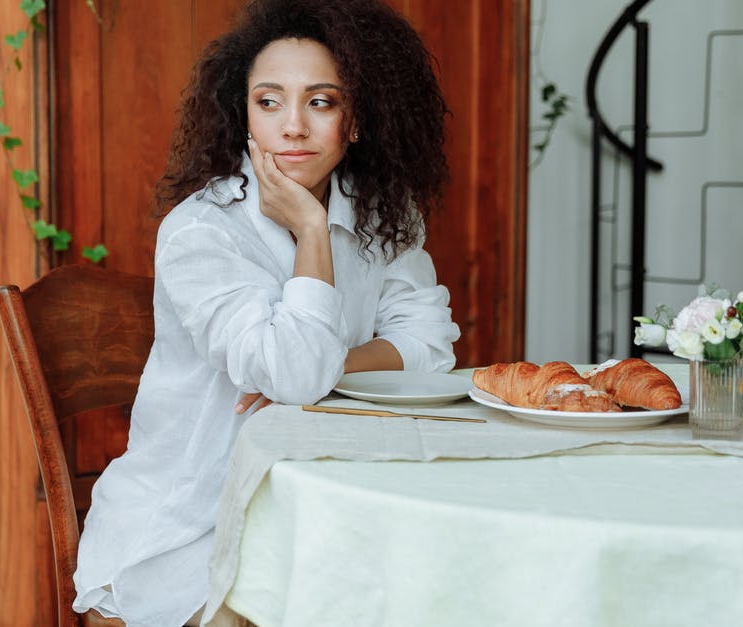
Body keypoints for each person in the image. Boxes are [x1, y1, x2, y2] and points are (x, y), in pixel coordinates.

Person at [72, 0, 460, 624]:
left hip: (321, 506)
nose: (294, 127)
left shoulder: (383, 214)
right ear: (244, 116)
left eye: (322, 101)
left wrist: (330, 368)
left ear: (355, 120)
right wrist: (310, 231)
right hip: (190, 523)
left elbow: (430, 345)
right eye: (270, 101)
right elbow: (291, 376)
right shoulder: (203, 231)